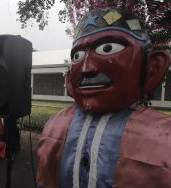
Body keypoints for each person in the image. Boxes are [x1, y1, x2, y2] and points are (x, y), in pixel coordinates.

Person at [36, 8, 171, 188]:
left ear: (153, 67)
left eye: (107, 49)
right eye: (78, 56)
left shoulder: (165, 137)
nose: (86, 69)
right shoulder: (54, 126)